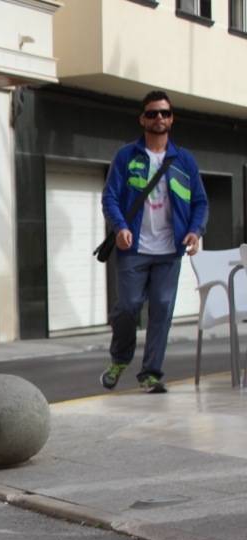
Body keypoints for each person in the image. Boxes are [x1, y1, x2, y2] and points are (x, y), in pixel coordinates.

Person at [100, 90, 208, 394]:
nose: (158, 118)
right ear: (142, 119)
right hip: (133, 249)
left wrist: (195, 231)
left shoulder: (184, 160)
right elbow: (110, 197)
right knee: (128, 307)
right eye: (151, 113)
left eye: (164, 113)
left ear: (171, 119)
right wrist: (120, 226)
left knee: (161, 308)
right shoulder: (126, 156)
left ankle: (150, 373)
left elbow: (200, 202)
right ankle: (120, 359)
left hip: (169, 251)